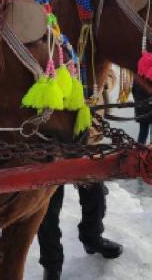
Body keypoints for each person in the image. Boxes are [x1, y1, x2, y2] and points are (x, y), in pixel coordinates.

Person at [37, 71, 123, 280]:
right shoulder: (49, 45)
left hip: (87, 136)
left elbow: (109, 75)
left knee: (95, 196)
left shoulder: (91, 46)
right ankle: (52, 264)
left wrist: (98, 85)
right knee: (47, 208)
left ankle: (92, 238)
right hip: (49, 141)